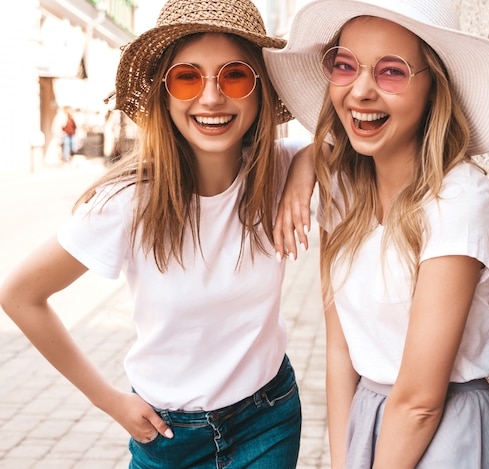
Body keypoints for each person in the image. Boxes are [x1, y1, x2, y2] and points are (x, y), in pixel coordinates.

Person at [0, 0, 308, 467]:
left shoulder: (280, 170)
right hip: (167, 437)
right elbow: (20, 294)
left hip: (267, 417)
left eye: (235, 76)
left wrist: (303, 171)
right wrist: (108, 400)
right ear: (164, 94)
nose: (211, 97)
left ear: (260, 90)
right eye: (188, 76)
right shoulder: (128, 201)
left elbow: (345, 138)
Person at [264, 0, 489, 467]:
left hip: (443, 432)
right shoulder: (342, 193)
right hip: (369, 419)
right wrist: (342, 460)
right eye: (345, 65)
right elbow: (340, 348)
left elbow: (421, 402)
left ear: (434, 87)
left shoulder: (458, 199)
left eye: (392, 71)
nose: (361, 90)